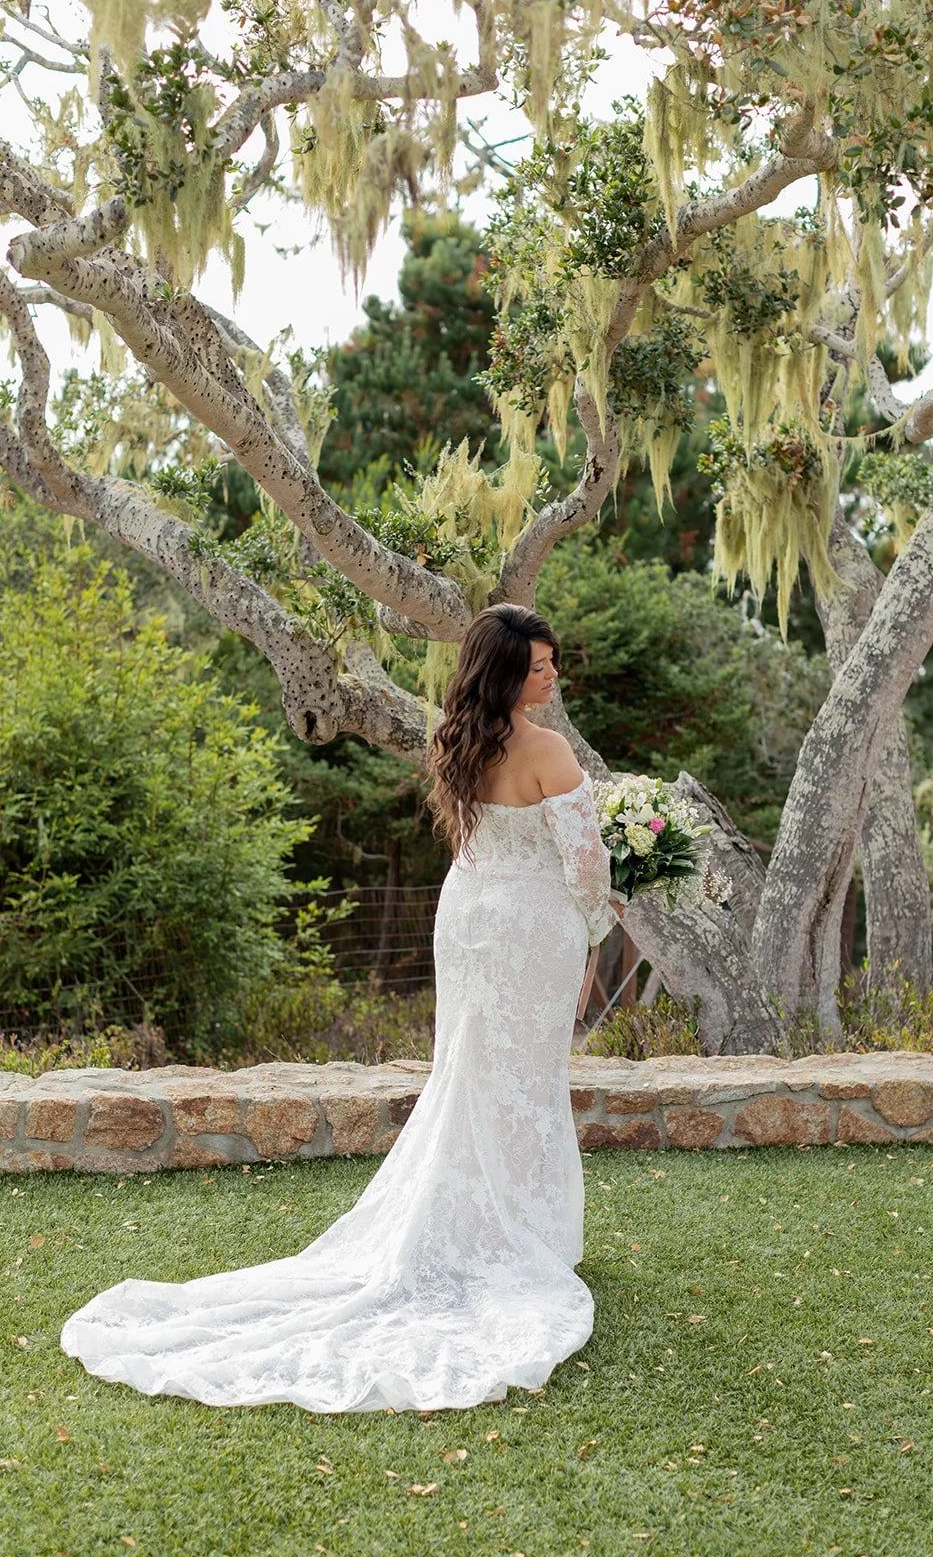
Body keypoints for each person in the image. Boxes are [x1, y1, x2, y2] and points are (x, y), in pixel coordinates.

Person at [60, 603, 623, 1411]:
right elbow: (585, 867)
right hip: (528, 930)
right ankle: (517, 1238)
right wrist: (599, 924)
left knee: (467, 1074)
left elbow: (475, 845)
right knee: (521, 1082)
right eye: (539, 667)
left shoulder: (454, 738)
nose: (552, 676)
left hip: (468, 920)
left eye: (551, 662)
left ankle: (493, 1225)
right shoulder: (547, 750)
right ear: (504, 674)